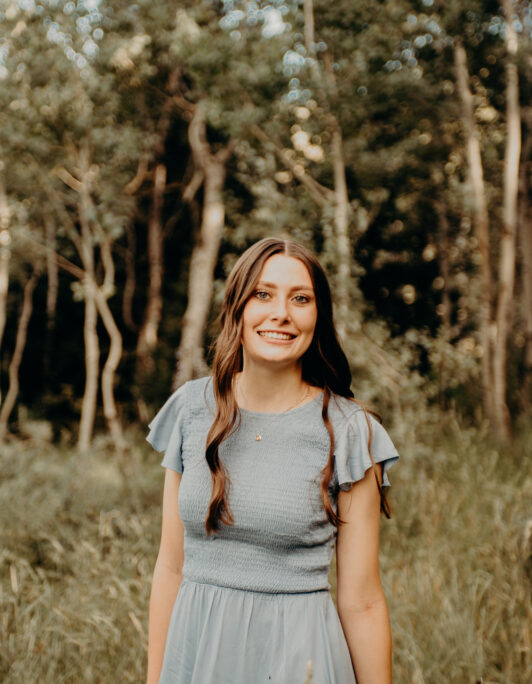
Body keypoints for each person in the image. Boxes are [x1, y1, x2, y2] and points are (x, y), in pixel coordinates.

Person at [145, 237, 400, 684]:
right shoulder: (190, 410)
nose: (281, 312)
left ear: (317, 316)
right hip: (198, 656)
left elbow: (361, 601)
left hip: (300, 662)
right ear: (238, 308)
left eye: (300, 299)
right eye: (263, 294)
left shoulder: (350, 431)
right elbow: (170, 567)